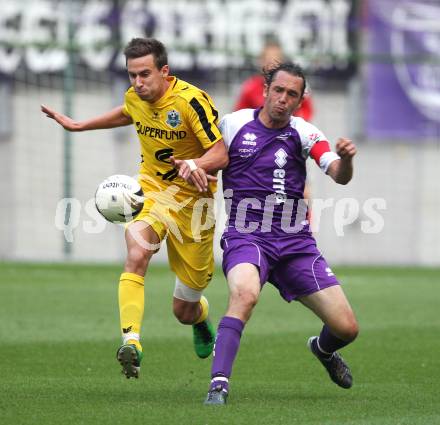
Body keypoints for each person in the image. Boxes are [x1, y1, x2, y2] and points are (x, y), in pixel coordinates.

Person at [41, 37, 229, 379]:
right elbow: (128, 111)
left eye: (145, 74)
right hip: (152, 191)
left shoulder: (191, 101)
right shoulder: (134, 96)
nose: (138, 83)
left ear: (165, 72)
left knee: (183, 309)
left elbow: (221, 154)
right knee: (137, 252)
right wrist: (81, 125)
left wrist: (195, 164)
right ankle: (132, 342)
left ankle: (200, 318)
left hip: (194, 203)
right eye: (132, 75)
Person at [203, 62, 358, 404]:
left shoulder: (305, 133)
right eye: (279, 91)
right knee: (244, 294)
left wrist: (346, 160)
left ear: (300, 99)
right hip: (247, 234)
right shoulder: (233, 124)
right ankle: (218, 384)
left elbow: (338, 173)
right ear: (265, 90)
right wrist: (191, 168)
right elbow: (206, 157)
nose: (283, 99)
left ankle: (322, 349)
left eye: (292, 94)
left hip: (295, 242)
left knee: (347, 328)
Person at [234, 41, 314, 121]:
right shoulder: (250, 87)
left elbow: (306, 110)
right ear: (260, 61)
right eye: (268, 59)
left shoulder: (297, 85)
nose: (272, 63)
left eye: (276, 59)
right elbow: (240, 114)